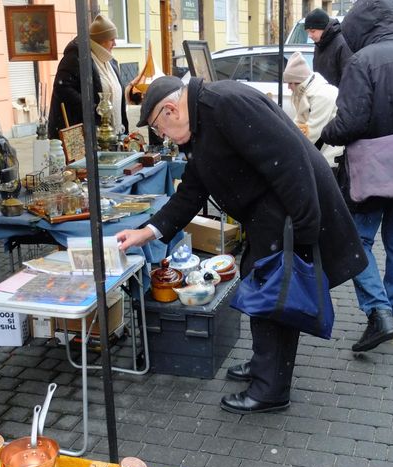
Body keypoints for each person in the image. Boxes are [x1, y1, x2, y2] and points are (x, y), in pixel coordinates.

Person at [115, 76, 366, 414]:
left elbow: (289, 160)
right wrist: (148, 232)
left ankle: (270, 389)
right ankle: (264, 364)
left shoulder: (225, 104)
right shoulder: (202, 121)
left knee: (275, 295)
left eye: (160, 129)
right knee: (258, 282)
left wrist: (306, 227)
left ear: (172, 109)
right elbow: (192, 190)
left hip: (289, 210)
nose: (164, 138)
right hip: (270, 212)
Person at [320, 0, 393, 353]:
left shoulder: (363, 60)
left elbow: (351, 121)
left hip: (372, 168)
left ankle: (379, 311)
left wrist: (327, 131)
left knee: (356, 243)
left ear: (362, 27)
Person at [48, 14, 128, 139]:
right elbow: (62, 88)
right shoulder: (76, 58)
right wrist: (93, 109)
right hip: (84, 134)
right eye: (112, 39)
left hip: (112, 134)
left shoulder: (110, 62)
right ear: (100, 40)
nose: (115, 44)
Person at [283, 52, 343, 167]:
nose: (288, 87)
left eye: (290, 83)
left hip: (331, 154)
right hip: (323, 149)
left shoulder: (322, 95)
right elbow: (299, 122)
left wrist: (291, 148)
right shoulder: (307, 92)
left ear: (299, 82)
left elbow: (313, 131)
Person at [304, 8, 353, 87]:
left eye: (312, 31)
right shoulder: (319, 45)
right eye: (307, 32)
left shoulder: (341, 44)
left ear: (324, 28)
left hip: (336, 97)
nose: (309, 36)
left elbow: (349, 78)